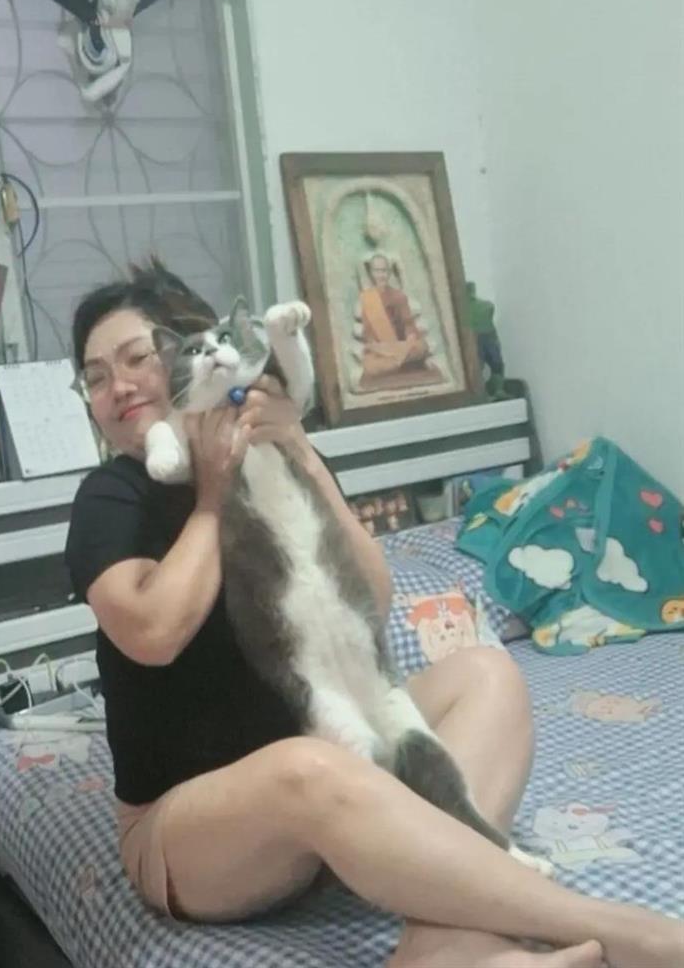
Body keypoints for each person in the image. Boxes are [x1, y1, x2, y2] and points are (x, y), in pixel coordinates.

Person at [64, 264, 683, 968]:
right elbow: (152, 631)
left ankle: (439, 945)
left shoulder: (275, 451)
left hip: (336, 780)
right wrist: (212, 492)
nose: (119, 387)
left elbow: (374, 599)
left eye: (136, 359)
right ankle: (617, 931)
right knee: (306, 767)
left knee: (487, 673)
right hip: (197, 831)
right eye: (96, 377)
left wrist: (297, 446)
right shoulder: (111, 498)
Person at [356, 253, 442, 391]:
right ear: (371, 273)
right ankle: (399, 364)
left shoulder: (399, 296)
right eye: (377, 271)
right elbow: (368, 335)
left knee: (421, 347)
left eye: (384, 271)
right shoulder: (367, 298)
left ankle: (397, 363)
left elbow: (409, 325)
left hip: (402, 347)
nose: (381, 275)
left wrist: (408, 342)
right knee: (370, 366)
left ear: (389, 273)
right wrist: (380, 348)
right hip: (381, 350)